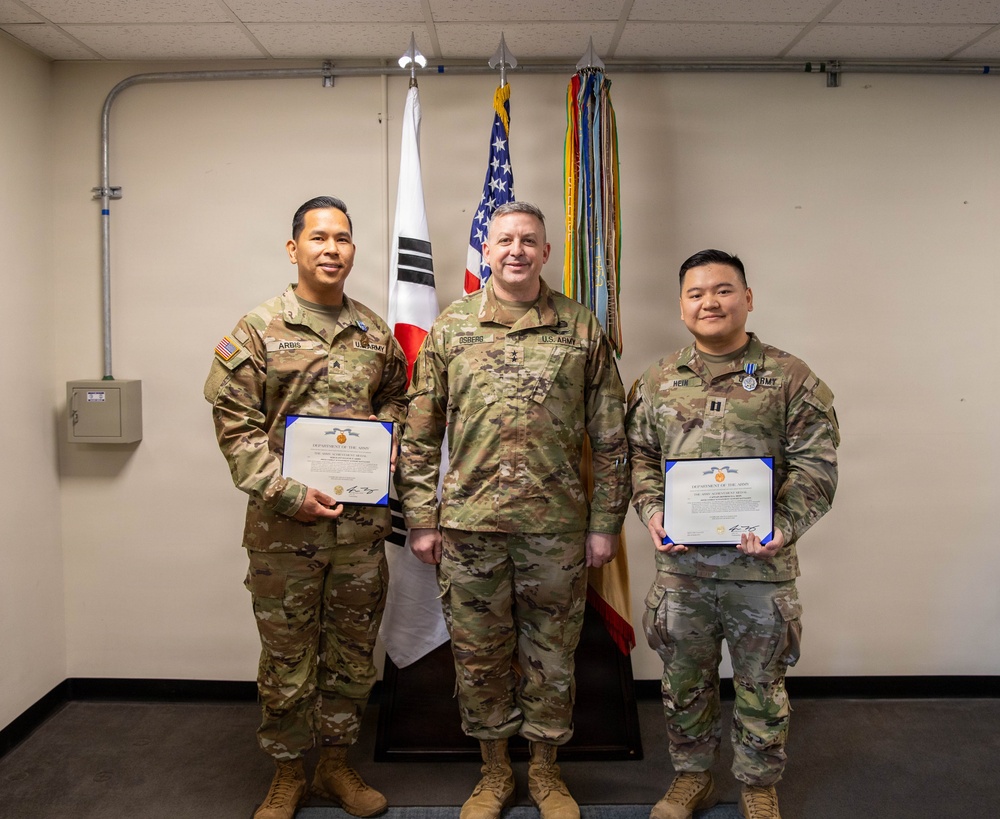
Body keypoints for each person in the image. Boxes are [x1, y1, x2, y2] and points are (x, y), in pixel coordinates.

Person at [396, 202, 629, 819]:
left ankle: (548, 772)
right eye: (505, 241)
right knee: (478, 654)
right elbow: (419, 434)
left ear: (546, 253)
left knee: (552, 656)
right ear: (487, 251)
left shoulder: (581, 329)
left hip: (555, 530)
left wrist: (605, 525)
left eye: (529, 241)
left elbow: (610, 439)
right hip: (470, 527)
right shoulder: (451, 329)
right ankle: (495, 772)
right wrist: (421, 517)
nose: (517, 251)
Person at [204, 196, 408, 819]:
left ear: (353, 250)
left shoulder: (375, 334)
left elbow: (401, 399)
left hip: (358, 530)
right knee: (288, 657)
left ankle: (336, 768)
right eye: (318, 237)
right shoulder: (257, 329)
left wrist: (390, 443)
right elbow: (234, 424)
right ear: (293, 249)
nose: (332, 248)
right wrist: (289, 491)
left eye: (343, 238)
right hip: (283, 532)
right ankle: (289, 772)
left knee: (351, 653)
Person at [625, 249, 839, 819]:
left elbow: (817, 466)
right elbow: (639, 457)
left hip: (759, 569)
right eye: (696, 293)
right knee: (684, 682)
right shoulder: (657, 379)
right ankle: (692, 777)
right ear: (681, 306)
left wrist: (783, 526)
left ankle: (758, 783)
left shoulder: (790, 376)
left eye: (722, 290)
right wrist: (651, 511)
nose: (709, 302)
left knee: (761, 684)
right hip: (682, 570)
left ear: (747, 298)